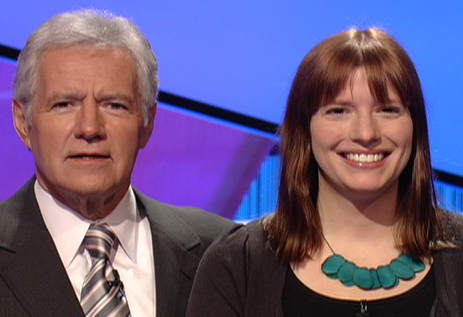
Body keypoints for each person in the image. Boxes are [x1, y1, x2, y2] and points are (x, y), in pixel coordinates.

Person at [186, 28, 463, 316]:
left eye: (388, 110)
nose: (365, 133)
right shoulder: (237, 266)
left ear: (415, 126)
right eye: (339, 111)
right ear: (304, 129)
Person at [0, 9, 233, 317]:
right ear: (22, 122)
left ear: (147, 122)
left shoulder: (224, 252)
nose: (90, 128)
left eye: (114, 105)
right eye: (64, 104)